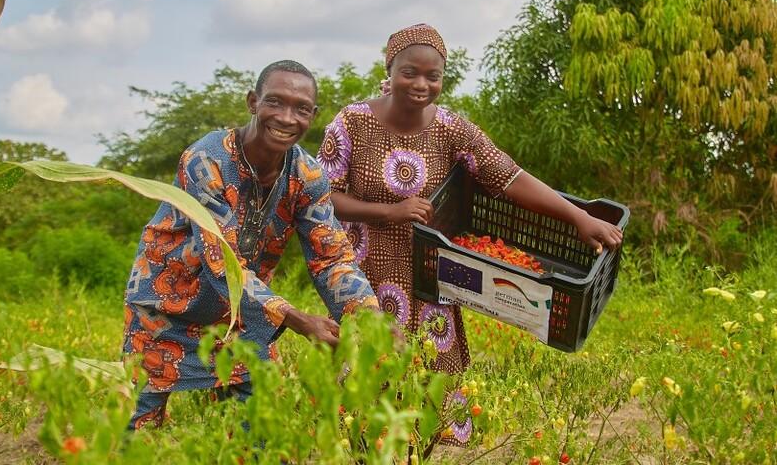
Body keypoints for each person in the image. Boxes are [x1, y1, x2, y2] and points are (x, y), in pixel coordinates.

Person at [317, 24, 622, 446]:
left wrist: (577, 216)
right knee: (372, 383)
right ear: (389, 68)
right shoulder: (352, 123)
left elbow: (509, 176)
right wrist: (390, 211)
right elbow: (322, 197)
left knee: (429, 392)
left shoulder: (452, 129)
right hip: (367, 275)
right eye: (410, 72)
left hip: (431, 278)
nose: (421, 85)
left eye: (433, 76)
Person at [123, 60, 378, 430]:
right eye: (275, 102)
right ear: (253, 102)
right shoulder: (206, 160)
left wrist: (369, 319)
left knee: (258, 423)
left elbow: (331, 256)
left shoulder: (306, 175)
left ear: (313, 115)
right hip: (164, 307)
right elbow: (220, 262)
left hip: (241, 312)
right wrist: (299, 320)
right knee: (141, 423)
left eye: (301, 108)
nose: (287, 117)